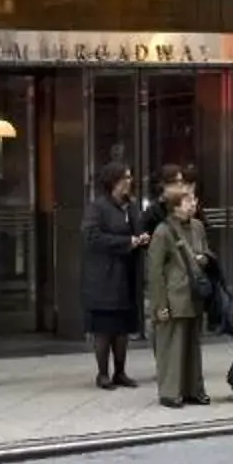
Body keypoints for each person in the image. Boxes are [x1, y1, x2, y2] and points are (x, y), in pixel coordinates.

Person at [146, 183, 212, 408]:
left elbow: (205, 251)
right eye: (189, 200)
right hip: (174, 297)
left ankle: (194, 389)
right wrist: (159, 305)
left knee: (193, 346)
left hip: (194, 294)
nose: (194, 204)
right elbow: (154, 272)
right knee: (171, 347)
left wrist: (204, 258)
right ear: (175, 206)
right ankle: (170, 392)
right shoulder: (162, 231)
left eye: (194, 199)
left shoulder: (198, 227)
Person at [82, 162, 147, 390]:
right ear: (113, 182)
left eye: (130, 177)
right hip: (104, 275)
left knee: (123, 326)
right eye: (125, 178)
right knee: (104, 327)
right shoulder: (98, 208)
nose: (129, 182)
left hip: (127, 273)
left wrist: (141, 238)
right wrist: (126, 242)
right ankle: (103, 373)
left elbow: (139, 229)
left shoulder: (132, 207)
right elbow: (92, 237)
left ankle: (121, 371)